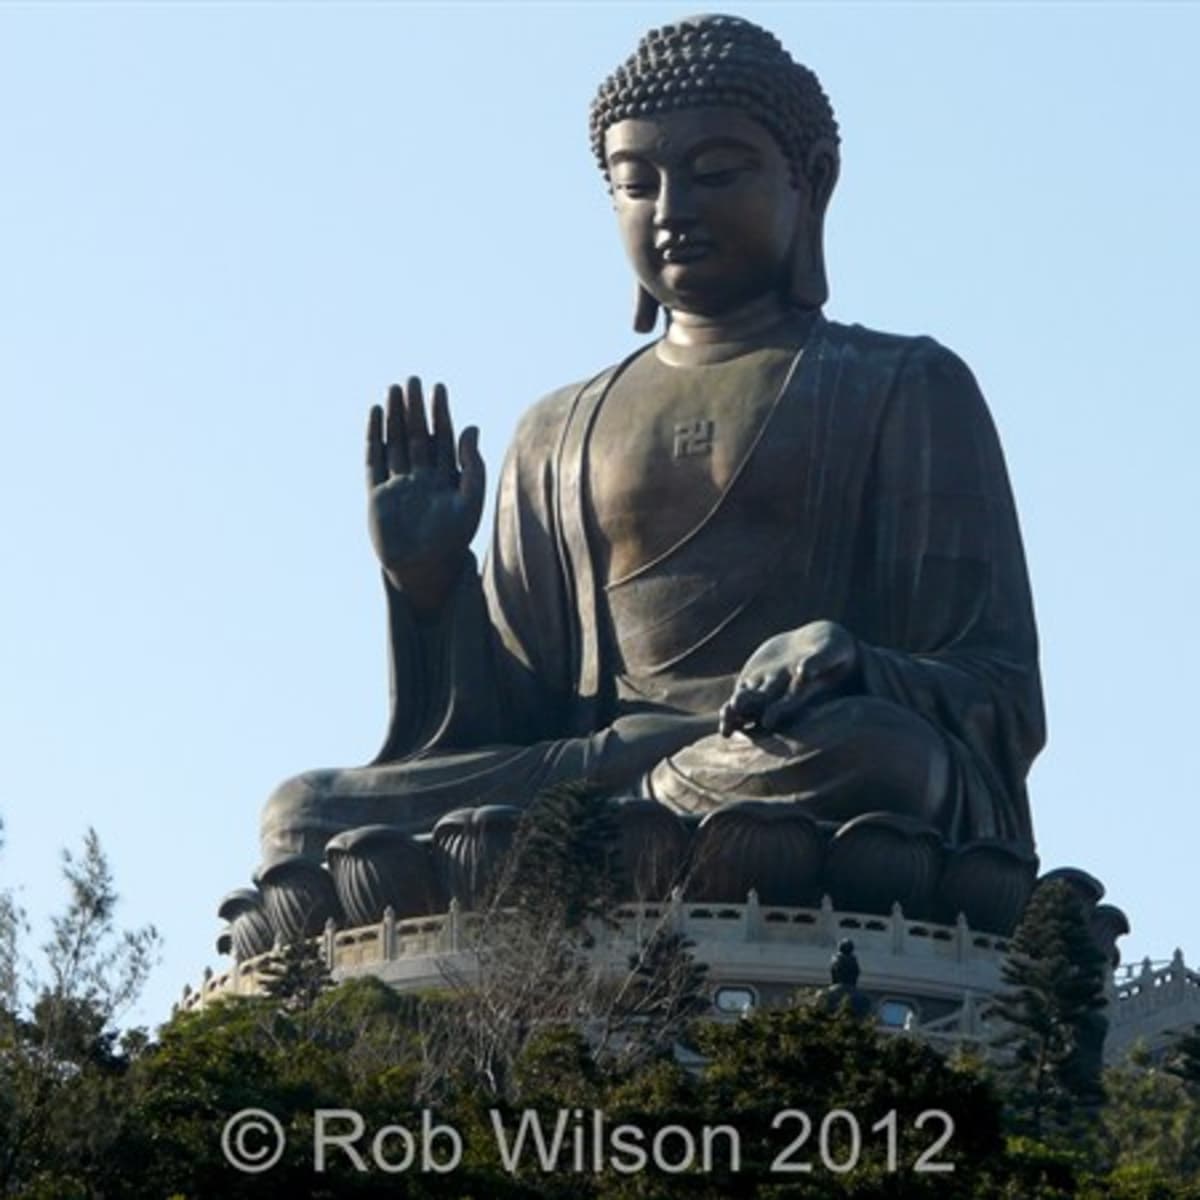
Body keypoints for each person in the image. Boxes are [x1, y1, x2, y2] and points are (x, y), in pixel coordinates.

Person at [260, 15, 1044, 901]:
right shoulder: (556, 428)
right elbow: (516, 719)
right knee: (299, 815)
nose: (673, 211)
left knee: (885, 759)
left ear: (812, 183)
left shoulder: (904, 385)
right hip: (590, 777)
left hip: (790, 757)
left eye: (715, 174)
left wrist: (848, 657)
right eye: (637, 184)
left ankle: (610, 841)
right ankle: (618, 834)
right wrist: (432, 582)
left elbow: (994, 688)